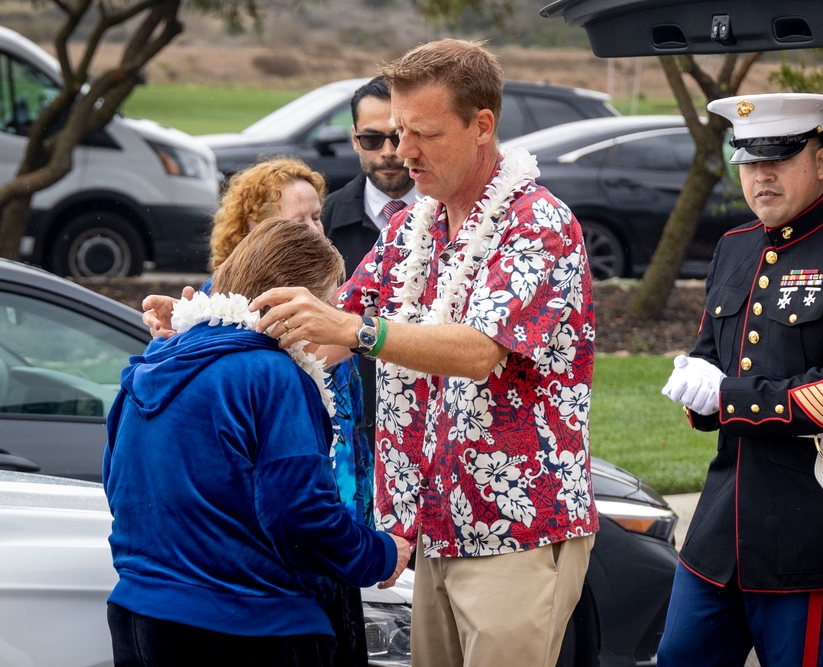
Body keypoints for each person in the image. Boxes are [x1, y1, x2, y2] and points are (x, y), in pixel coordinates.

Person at [248, 39, 598, 667]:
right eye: (397, 131)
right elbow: (326, 331)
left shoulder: (538, 223)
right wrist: (206, 325)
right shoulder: (417, 226)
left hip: (514, 528)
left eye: (424, 134)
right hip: (428, 526)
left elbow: (478, 351)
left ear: (481, 127)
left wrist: (361, 330)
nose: (403, 151)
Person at [658, 93, 823, 666]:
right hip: (721, 527)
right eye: (749, 160)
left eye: (780, 159)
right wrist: (695, 390)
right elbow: (706, 362)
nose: (761, 176)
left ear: (821, 162)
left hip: (808, 529)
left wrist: (727, 398)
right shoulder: (733, 248)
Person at [104, 219, 410, 667]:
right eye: (328, 302)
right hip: (246, 625)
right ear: (295, 303)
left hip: (138, 614)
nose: (331, 317)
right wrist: (380, 553)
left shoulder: (151, 363)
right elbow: (298, 514)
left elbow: (119, 488)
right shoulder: (272, 374)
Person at [322, 75, 418, 451]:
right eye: (371, 139)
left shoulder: (457, 221)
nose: (389, 152)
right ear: (353, 139)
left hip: (434, 423)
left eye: (397, 136)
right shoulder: (322, 224)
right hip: (343, 423)